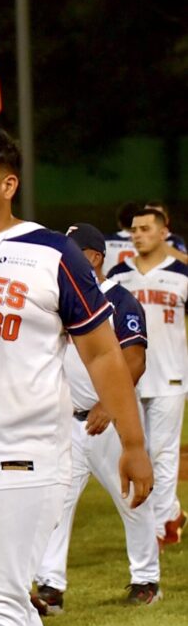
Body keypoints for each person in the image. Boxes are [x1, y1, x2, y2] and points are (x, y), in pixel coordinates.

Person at [0, 131, 152, 626]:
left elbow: (104, 353)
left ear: (8, 184)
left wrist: (132, 442)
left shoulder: (52, 252)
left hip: (22, 456)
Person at [33, 223, 161, 611]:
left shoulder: (120, 301)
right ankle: (50, 587)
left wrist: (109, 404)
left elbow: (134, 358)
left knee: (132, 500)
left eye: (71, 250)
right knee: (57, 504)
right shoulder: (60, 296)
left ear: (92, 257)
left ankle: (145, 580)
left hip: (110, 424)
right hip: (66, 422)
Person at [109, 207, 188, 548]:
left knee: (163, 453)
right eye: (133, 229)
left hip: (170, 375)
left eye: (144, 228)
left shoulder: (182, 275)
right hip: (128, 378)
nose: (136, 234)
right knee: (133, 451)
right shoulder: (116, 275)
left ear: (162, 233)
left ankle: (159, 528)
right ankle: (169, 513)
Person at [103, 202, 140, 277]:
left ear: (119, 223)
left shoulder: (104, 242)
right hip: (136, 287)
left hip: (110, 286)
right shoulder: (145, 245)